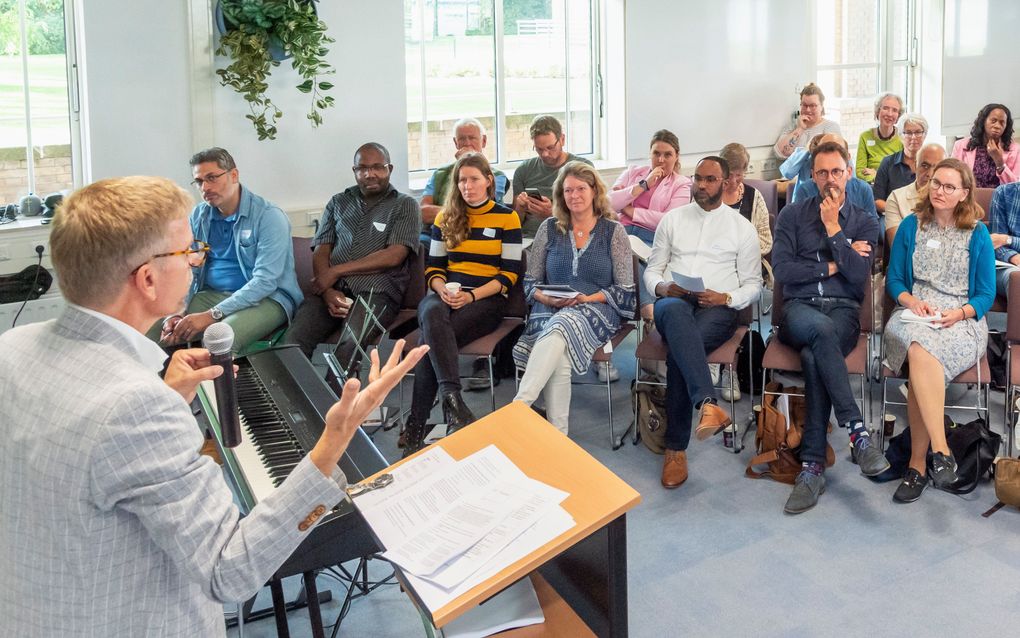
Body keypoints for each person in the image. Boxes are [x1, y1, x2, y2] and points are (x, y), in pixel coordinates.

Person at [0, 176, 427, 636]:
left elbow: (98, 468)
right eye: (188, 253)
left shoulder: (13, 348)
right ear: (147, 278)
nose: (196, 261)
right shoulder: (137, 407)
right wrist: (335, 440)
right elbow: (230, 570)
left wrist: (170, 395)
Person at [771, 141, 886, 514]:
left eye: (837, 171)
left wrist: (834, 228)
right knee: (817, 333)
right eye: (822, 173)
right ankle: (857, 431)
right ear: (812, 176)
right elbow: (784, 273)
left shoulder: (865, 220)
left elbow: (859, 278)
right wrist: (836, 263)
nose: (830, 180)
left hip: (844, 311)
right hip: (799, 310)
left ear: (848, 172)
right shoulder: (791, 216)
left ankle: (812, 466)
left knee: (813, 353)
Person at [644, 157, 762, 489]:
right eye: (697, 178)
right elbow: (652, 271)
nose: (701, 185)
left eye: (710, 179)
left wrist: (726, 298)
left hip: (717, 308)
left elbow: (753, 285)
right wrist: (664, 287)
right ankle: (706, 406)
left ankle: (676, 448)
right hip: (673, 302)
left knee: (682, 351)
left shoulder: (742, 228)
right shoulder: (673, 219)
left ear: (725, 183)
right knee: (678, 317)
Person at [884, 158, 994, 502]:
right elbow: (895, 281)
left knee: (920, 355)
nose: (940, 191)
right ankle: (941, 450)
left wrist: (958, 313)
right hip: (914, 313)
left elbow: (985, 294)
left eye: (949, 186)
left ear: (964, 194)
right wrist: (912, 302)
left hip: (961, 320)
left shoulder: (977, 233)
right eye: (935, 183)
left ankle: (918, 464)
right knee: (918, 345)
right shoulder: (910, 226)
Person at [402, 153, 523, 456]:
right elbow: (434, 269)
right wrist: (443, 291)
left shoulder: (507, 217)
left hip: (487, 299)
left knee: (431, 342)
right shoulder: (446, 217)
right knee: (430, 310)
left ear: (488, 182)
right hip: (446, 295)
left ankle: (416, 426)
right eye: (462, 180)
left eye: (474, 179)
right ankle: (452, 401)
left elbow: (508, 275)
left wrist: (470, 296)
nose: (467, 186)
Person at [512, 162, 635, 434]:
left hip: (598, 308)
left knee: (561, 325)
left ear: (594, 192)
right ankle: (559, 436)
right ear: (560, 195)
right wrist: (546, 297)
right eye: (568, 190)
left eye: (581, 188)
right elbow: (530, 283)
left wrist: (587, 298)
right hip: (549, 306)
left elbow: (626, 290)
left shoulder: (613, 232)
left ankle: (519, 406)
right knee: (561, 354)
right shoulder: (548, 228)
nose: (574, 195)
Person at [285, 143, 422, 380]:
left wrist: (335, 271)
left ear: (390, 168)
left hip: (377, 293)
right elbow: (321, 248)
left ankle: (335, 413)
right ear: (354, 171)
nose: (370, 174)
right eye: (363, 168)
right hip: (332, 291)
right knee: (291, 344)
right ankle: (299, 406)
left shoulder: (405, 205)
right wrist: (327, 290)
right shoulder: (338, 202)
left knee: (348, 348)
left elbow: (394, 255)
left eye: (378, 167)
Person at [154, 148, 302, 354]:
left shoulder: (269, 216)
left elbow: (265, 282)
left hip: (268, 299)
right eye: (199, 181)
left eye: (212, 178)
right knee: (157, 329)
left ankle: (222, 385)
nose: (205, 187)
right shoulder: (199, 215)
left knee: (220, 339)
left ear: (234, 175)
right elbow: (189, 269)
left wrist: (212, 314)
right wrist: (176, 313)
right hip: (212, 295)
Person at [609, 129, 692, 321]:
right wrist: (643, 185)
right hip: (621, 233)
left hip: (653, 238)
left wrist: (630, 211)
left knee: (631, 257)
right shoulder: (633, 172)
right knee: (626, 250)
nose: (661, 160)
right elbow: (609, 202)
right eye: (656, 153)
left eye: (667, 154)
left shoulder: (682, 184)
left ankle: (647, 312)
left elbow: (667, 220)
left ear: (676, 156)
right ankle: (648, 313)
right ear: (650, 154)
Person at [718, 142, 775, 400]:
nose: (733, 180)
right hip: (713, 263)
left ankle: (728, 363)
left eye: (738, 174)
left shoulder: (753, 197)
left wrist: (739, 252)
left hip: (747, 265)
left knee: (731, 286)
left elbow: (765, 239)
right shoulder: (707, 194)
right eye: (728, 174)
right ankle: (712, 355)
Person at [419, 117, 510, 243]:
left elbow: (481, 209)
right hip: (437, 232)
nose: (467, 143)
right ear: (456, 142)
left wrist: (447, 212)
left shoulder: (496, 176)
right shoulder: (439, 174)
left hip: (475, 231)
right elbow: (423, 212)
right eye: (462, 139)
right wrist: (460, 213)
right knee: (420, 245)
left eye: (472, 138)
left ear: (483, 141)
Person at [512, 114, 594, 238]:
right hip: (530, 238)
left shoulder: (582, 167)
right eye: (539, 149)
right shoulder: (523, 170)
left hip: (568, 237)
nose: (545, 154)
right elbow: (515, 223)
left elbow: (591, 215)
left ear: (562, 139)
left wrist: (553, 214)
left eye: (550, 147)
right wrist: (520, 208)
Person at [779, 133, 879, 217]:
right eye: (826, 152)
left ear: (848, 157)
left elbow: (872, 231)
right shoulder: (805, 190)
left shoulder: (862, 190)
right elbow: (799, 230)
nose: (830, 178)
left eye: (839, 152)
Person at [884, 143, 946, 243]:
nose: (930, 174)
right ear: (915, 165)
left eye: (937, 167)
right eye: (925, 166)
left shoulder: (954, 197)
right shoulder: (896, 198)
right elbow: (898, 246)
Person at [951, 103, 1019, 188]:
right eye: (993, 121)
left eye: (1002, 123)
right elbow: (951, 178)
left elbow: (1016, 189)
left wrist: (999, 162)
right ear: (983, 121)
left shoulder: (1015, 149)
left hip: (1000, 200)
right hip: (968, 199)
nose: (997, 126)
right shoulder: (960, 145)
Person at [873, 113, 928, 212]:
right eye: (908, 133)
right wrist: (898, 211)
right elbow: (877, 200)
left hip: (924, 215)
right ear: (901, 136)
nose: (914, 137)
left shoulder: (933, 163)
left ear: (925, 135)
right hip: (893, 214)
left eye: (918, 132)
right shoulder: (888, 163)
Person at [773, 83, 842, 159]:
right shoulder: (793, 126)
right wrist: (800, 128)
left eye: (813, 106)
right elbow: (779, 154)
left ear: (821, 106)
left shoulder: (830, 127)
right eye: (804, 105)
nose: (808, 110)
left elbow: (833, 156)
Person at [855, 93, 904, 184]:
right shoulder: (865, 137)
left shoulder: (903, 138)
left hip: (894, 188)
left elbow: (901, 174)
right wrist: (883, 178)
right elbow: (859, 171)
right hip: (870, 186)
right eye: (885, 108)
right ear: (877, 111)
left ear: (898, 116)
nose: (889, 114)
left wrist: (876, 174)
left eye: (894, 110)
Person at [989, 181, 1020, 296]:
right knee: (1016, 278)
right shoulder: (1003, 192)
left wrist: (1008, 239)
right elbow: (995, 241)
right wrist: (1013, 257)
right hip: (1008, 264)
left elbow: (1002, 239)